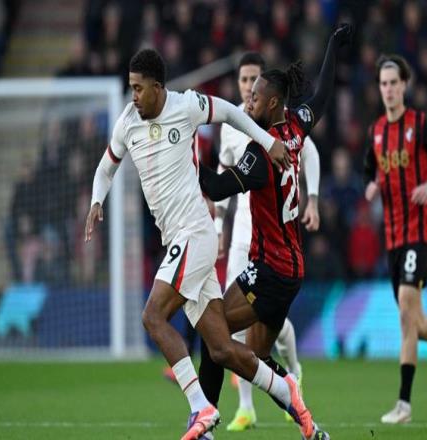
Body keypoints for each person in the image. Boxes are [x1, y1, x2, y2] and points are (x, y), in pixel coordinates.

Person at [85, 48, 317, 440]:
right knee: (221, 347)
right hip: (176, 239)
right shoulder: (127, 122)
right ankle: (287, 390)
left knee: (152, 316)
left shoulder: (186, 105)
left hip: (195, 232)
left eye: (139, 88)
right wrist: (96, 201)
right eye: (131, 88)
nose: (134, 96)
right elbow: (106, 167)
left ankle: (201, 408)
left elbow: (229, 111)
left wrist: (266, 141)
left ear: (158, 87)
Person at [198, 23, 354, 440]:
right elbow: (322, 95)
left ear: (271, 103)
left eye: (254, 97)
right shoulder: (296, 128)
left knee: (213, 332)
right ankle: (309, 424)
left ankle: (204, 423)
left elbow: (217, 188)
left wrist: (186, 156)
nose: (247, 102)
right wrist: (333, 46)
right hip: (292, 270)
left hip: (269, 269)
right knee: (257, 358)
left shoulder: (260, 152)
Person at [214, 51, 321, 431]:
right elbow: (224, 171)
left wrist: (313, 198)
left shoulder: (270, 138)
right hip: (262, 250)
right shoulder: (257, 125)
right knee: (246, 343)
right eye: (244, 83)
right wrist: (219, 224)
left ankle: (290, 375)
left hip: (271, 257)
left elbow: (220, 184)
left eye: (255, 86)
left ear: (270, 97)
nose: (249, 92)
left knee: (225, 328)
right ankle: (268, 411)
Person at [363, 54, 427, 424]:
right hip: (392, 238)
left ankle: (404, 405)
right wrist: (370, 185)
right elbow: (369, 169)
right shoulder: (377, 131)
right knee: (416, 322)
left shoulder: (420, 124)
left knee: (405, 315)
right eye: (383, 84)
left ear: (404, 85)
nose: (388, 89)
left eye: (394, 83)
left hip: (417, 233)